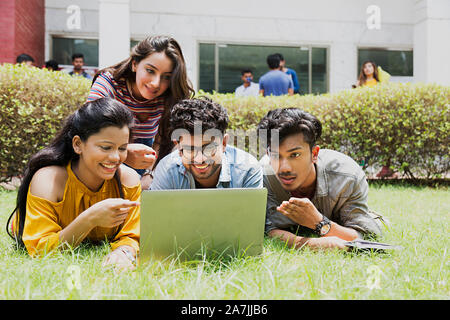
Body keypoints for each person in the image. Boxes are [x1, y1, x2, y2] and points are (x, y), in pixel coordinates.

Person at [6, 97, 141, 272]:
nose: (116, 158)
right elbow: (40, 250)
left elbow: (132, 235)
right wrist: (90, 218)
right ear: (78, 144)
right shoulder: (49, 180)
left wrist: (124, 253)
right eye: (106, 148)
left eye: (122, 148)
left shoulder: (127, 180)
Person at [257, 108, 383, 251]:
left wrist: (318, 222)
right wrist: (311, 244)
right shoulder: (263, 176)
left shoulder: (347, 177)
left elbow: (366, 236)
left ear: (314, 153)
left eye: (295, 155)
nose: (284, 168)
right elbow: (269, 230)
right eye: (275, 155)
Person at [88, 35, 194, 189]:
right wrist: (122, 152)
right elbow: (88, 135)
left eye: (166, 77)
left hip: (146, 160)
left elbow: (163, 140)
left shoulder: (169, 95)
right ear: (135, 64)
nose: (156, 83)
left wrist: (151, 174)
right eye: (150, 71)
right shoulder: (109, 84)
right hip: (105, 155)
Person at [150, 97, 263, 190]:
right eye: (190, 149)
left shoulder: (247, 170)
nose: (200, 159)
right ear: (179, 147)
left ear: (223, 143)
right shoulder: (167, 170)